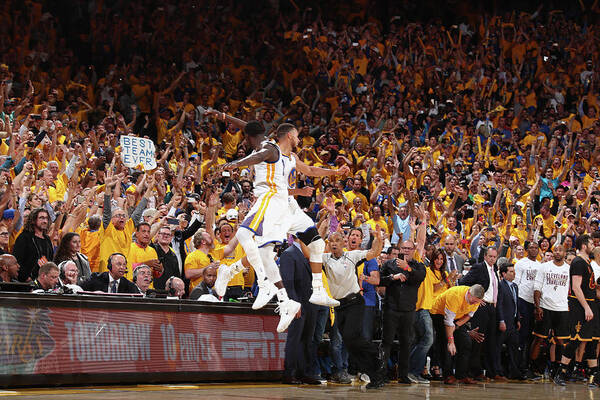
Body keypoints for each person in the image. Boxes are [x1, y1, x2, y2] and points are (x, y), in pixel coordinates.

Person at [219, 123, 302, 332]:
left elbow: (257, 157)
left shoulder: (268, 147)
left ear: (248, 138)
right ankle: (286, 302)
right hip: (279, 202)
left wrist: (235, 163)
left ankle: (262, 282)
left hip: (272, 199)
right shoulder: (266, 144)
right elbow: (246, 125)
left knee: (244, 234)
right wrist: (221, 116)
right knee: (263, 253)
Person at [322, 229, 385, 389]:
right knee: (352, 346)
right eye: (331, 241)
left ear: (344, 242)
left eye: (337, 240)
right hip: (338, 306)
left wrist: (377, 238)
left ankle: (374, 349)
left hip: (355, 302)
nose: (334, 243)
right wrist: (319, 231)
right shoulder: (325, 259)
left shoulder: (352, 256)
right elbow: (309, 253)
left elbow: (374, 251)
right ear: (328, 244)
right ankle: (375, 374)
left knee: (350, 337)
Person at [379, 213, 427, 385]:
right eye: (403, 249)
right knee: (386, 342)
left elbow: (418, 278)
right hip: (391, 309)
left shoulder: (419, 266)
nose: (406, 251)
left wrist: (407, 268)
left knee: (407, 343)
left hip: (408, 311)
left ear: (413, 251)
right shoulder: (389, 265)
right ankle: (381, 373)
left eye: (409, 249)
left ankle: (403, 375)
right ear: (399, 250)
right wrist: (393, 277)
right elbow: (379, 281)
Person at [554, 235, 599, 386]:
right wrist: (586, 307)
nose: (594, 245)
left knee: (591, 341)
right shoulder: (579, 262)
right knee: (575, 340)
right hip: (580, 307)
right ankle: (561, 372)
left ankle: (594, 375)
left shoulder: (587, 262)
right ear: (584, 245)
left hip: (589, 305)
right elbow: (575, 287)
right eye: (591, 243)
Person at [280, 238, 320, 385]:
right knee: (295, 338)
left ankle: (304, 373)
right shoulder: (288, 254)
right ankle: (289, 373)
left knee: (307, 339)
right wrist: (294, 304)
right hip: (298, 303)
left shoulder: (308, 254)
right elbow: (288, 282)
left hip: (311, 303)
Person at [98, 171, 153, 272]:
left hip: (125, 275)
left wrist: (149, 189)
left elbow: (138, 212)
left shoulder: (127, 228)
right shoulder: (108, 229)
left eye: (123, 215)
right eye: (118, 216)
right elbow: (106, 213)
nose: (122, 218)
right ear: (111, 219)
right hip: (107, 274)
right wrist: (108, 188)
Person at [459, 246, 500, 380]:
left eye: (494, 257)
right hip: (480, 307)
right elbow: (463, 282)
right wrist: (476, 299)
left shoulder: (495, 270)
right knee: (478, 338)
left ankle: (485, 370)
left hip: (491, 308)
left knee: (488, 341)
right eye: (490, 256)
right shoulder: (478, 268)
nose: (492, 259)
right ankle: (473, 371)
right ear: (485, 256)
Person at [430, 284, 485, 384]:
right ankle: (448, 375)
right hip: (439, 313)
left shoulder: (477, 300)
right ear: (469, 293)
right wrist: (451, 341)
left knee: (466, 342)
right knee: (446, 344)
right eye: (474, 300)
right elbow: (448, 322)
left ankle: (461, 375)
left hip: (458, 317)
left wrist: (457, 325)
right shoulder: (455, 295)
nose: (475, 303)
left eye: (477, 301)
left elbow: (469, 315)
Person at [530, 245, 569, 378]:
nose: (558, 252)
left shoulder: (569, 269)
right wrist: (537, 306)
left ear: (565, 253)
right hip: (545, 307)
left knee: (560, 341)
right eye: (555, 250)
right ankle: (533, 367)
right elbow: (537, 288)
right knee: (539, 338)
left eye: (560, 250)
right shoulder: (544, 267)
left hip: (562, 308)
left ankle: (556, 370)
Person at [514, 241, 541, 378]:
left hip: (534, 303)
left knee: (530, 336)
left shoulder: (540, 265)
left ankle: (526, 366)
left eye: (536, 248)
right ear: (526, 250)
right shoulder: (521, 263)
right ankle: (519, 368)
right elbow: (515, 284)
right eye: (531, 247)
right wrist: (516, 307)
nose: (534, 250)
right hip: (522, 300)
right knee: (522, 336)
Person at [495, 259, 522, 380]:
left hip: (513, 322)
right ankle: (498, 372)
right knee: (498, 347)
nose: (513, 273)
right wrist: (501, 320)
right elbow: (499, 304)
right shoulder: (500, 285)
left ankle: (514, 372)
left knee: (514, 347)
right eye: (510, 272)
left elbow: (516, 304)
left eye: (514, 271)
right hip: (504, 322)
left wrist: (518, 319)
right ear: (504, 274)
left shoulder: (515, 286)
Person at [13, 208, 54, 282]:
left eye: (46, 218)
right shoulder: (24, 237)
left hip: (45, 281)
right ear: (33, 220)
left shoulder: (47, 239)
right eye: (41, 218)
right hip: (27, 282)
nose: (45, 221)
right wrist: (26, 278)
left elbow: (50, 260)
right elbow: (17, 260)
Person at [152, 226, 183, 290]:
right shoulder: (152, 249)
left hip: (169, 292)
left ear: (171, 237)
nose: (165, 236)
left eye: (168, 235)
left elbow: (176, 275)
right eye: (163, 234)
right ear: (158, 235)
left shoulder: (173, 255)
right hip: (154, 290)